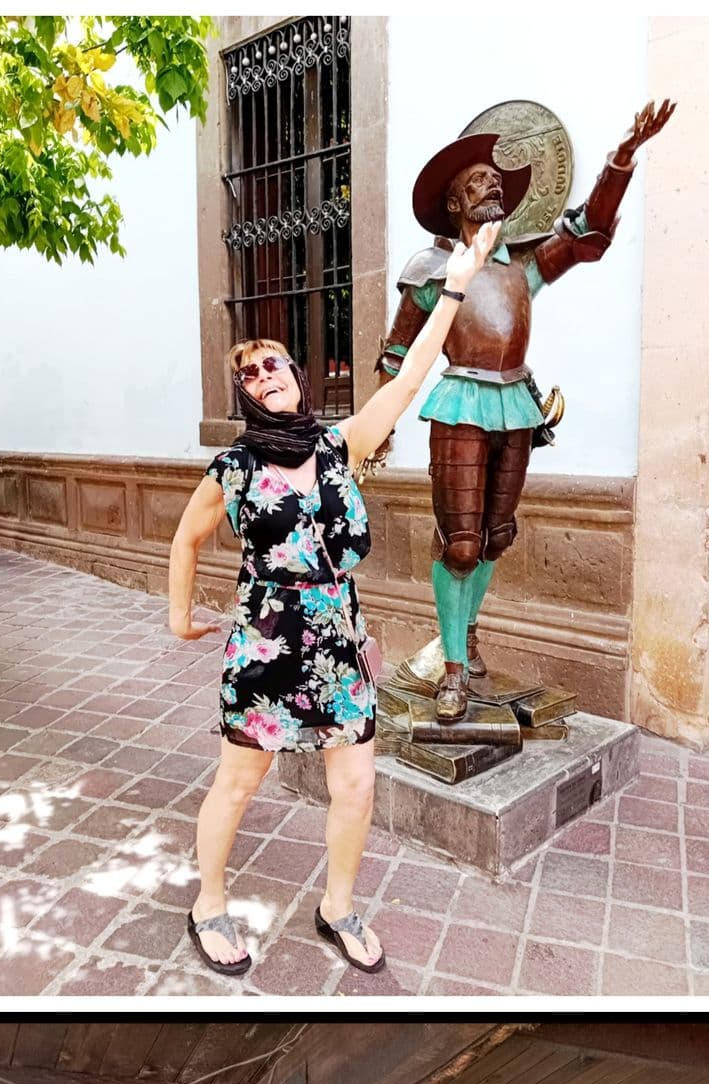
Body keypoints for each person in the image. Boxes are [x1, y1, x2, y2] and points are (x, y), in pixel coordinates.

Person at [168, 220, 499, 978]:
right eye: (248, 375)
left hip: (337, 644)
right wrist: (179, 617)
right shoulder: (234, 467)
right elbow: (185, 540)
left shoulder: (340, 443)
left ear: (296, 372)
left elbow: (412, 375)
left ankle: (338, 906)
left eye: (273, 364)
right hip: (264, 643)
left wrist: (455, 283)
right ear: (243, 396)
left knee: (355, 782)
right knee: (240, 780)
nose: (264, 377)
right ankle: (207, 904)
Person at [379, 100, 675, 720]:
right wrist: (377, 425)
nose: (492, 186)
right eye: (477, 181)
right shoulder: (431, 269)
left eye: (495, 180)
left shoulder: (525, 266)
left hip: (516, 403)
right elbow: (397, 352)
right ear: (455, 204)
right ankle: (453, 668)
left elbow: (590, 235)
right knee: (458, 544)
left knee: (494, 538)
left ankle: (465, 638)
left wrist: (621, 159)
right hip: (459, 400)